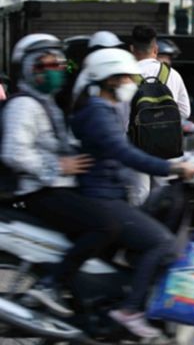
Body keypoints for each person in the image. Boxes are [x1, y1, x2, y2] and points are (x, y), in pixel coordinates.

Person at [70, 48, 194, 339]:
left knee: (146, 210)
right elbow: (125, 153)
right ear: (110, 80)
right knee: (160, 240)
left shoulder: (105, 108)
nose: (131, 82)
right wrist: (172, 168)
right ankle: (130, 310)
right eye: (125, 78)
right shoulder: (99, 112)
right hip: (103, 197)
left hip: (112, 190)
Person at [1, 33, 121, 317]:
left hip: (59, 187)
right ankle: (51, 284)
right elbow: (13, 152)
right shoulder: (24, 105)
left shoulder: (48, 102)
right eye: (45, 65)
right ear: (29, 69)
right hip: (42, 191)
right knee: (106, 227)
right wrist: (57, 166)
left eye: (58, 64)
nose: (54, 70)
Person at [131, 26, 190, 120]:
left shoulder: (126, 76)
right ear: (156, 49)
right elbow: (185, 112)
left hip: (135, 133)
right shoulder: (173, 74)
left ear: (132, 49)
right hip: (167, 133)